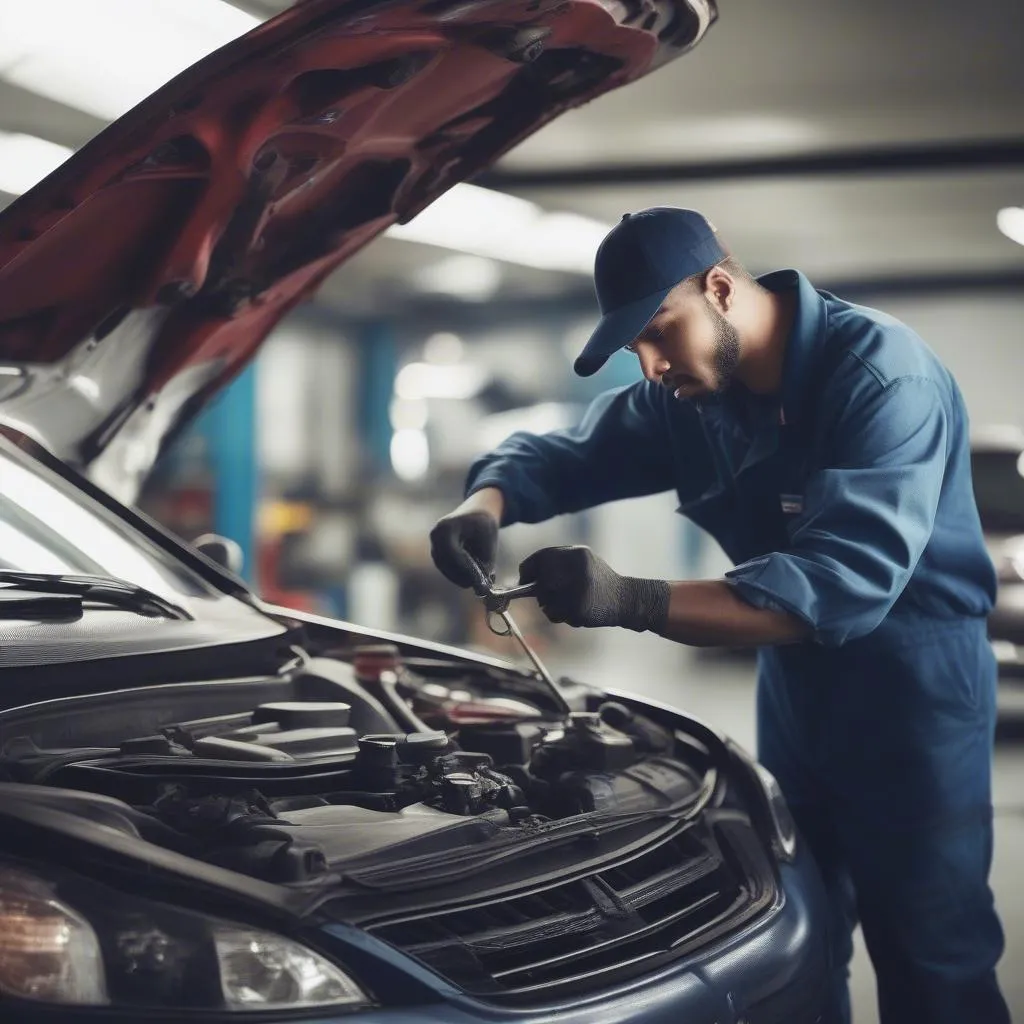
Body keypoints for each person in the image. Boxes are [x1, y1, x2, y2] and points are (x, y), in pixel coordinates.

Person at [429, 208, 1009, 1024]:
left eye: (660, 333)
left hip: (914, 687)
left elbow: (840, 583)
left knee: (930, 949)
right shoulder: (691, 394)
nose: (653, 364)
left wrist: (629, 599)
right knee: (799, 929)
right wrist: (484, 504)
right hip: (797, 687)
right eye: (635, 350)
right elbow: (570, 453)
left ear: (723, 288)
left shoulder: (881, 375)